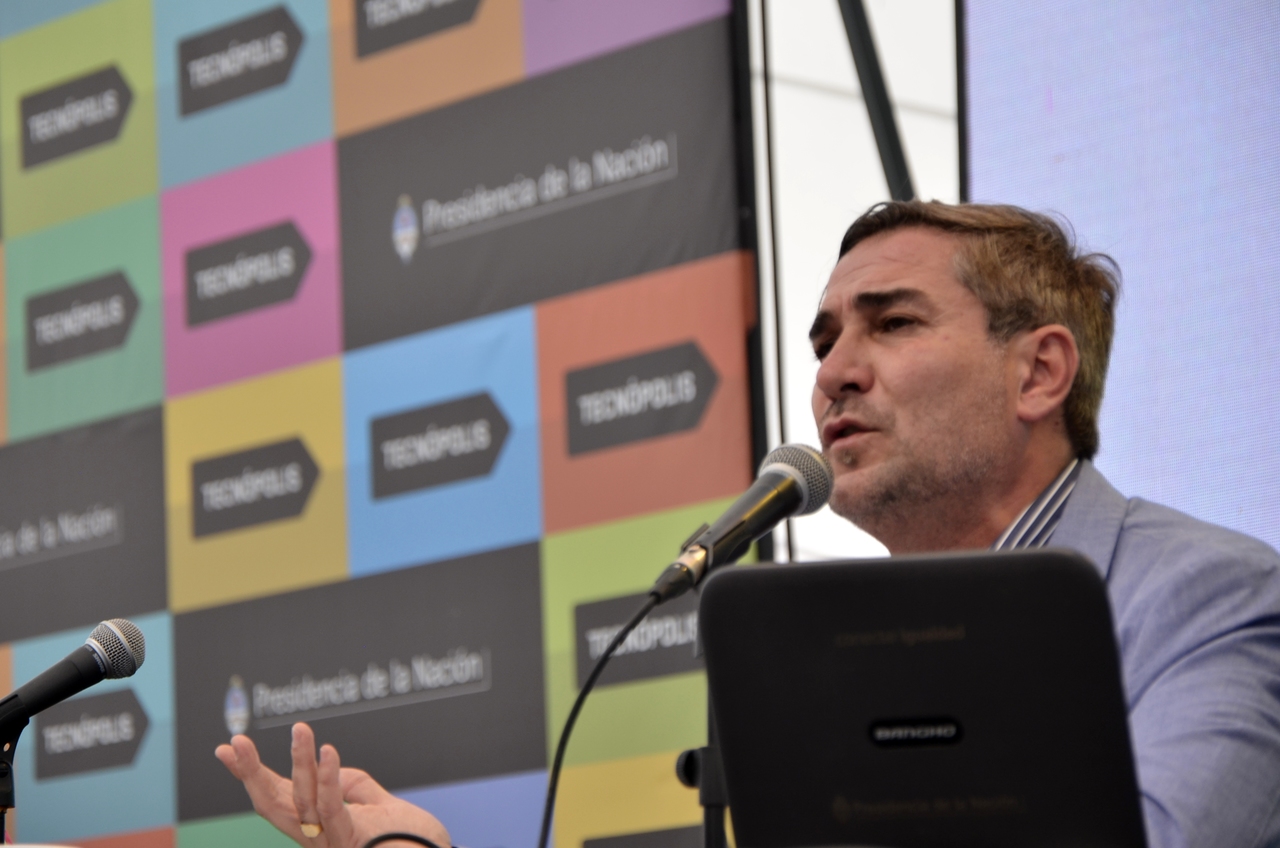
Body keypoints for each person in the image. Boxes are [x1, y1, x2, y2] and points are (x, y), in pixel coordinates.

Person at [217, 200, 1280, 848]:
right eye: (822, 342)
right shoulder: (844, 653)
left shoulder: (1211, 597)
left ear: (1038, 371)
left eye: (892, 322)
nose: (833, 372)